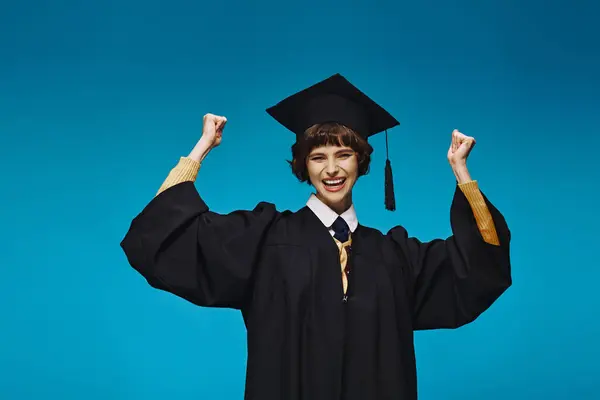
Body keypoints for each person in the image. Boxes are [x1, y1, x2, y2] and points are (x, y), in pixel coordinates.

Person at [120, 73, 511, 400]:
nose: (331, 169)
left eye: (343, 154)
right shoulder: (264, 238)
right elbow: (166, 232)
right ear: (303, 166)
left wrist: (461, 171)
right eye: (317, 157)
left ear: (361, 161)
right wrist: (201, 148)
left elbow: (477, 267)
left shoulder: (395, 255)